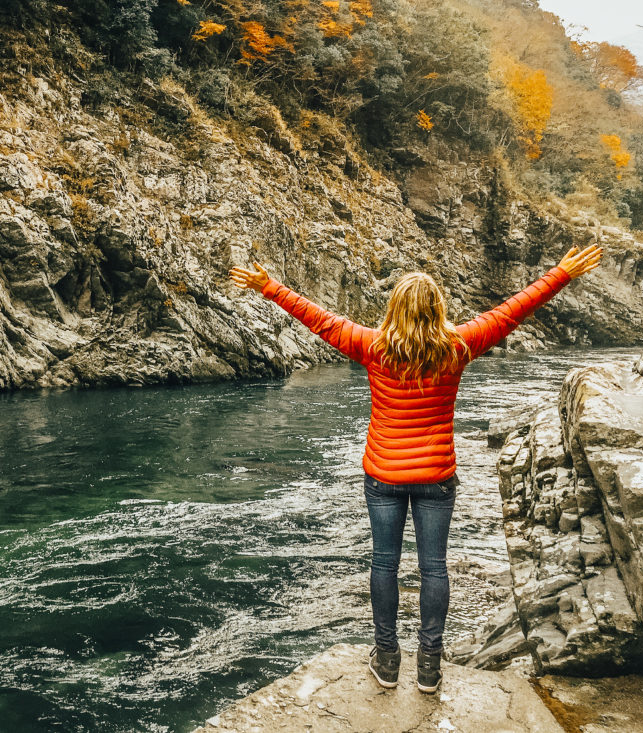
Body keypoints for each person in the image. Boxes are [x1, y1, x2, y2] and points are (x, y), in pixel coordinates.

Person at [228, 244, 602, 693]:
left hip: (383, 475)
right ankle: (429, 666)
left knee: (384, 564)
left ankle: (386, 661)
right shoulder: (458, 346)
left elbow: (318, 318)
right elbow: (511, 312)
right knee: (434, 568)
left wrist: (269, 286)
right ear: (437, 309)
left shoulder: (372, 346)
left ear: (394, 308)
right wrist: (559, 274)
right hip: (436, 478)